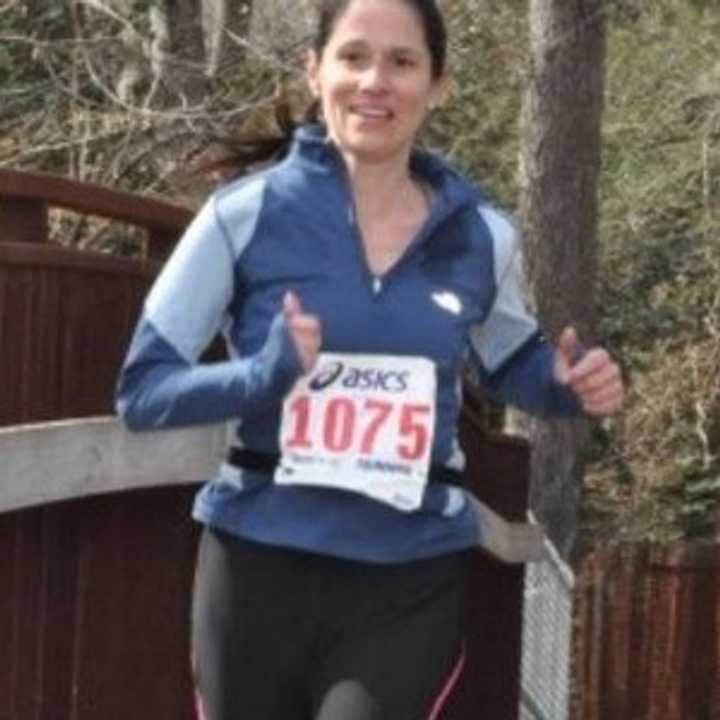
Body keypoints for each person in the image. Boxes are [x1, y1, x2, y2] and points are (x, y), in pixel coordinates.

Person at [115, 0, 624, 718]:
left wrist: (566, 385)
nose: (374, 81)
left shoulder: (482, 236)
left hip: (407, 573)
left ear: (438, 85)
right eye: (354, 57)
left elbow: (512, 363)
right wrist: (262, 376)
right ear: (316, 71)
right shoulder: (243, 214)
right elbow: (144, 392)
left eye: (402, 62)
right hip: (258, 563)